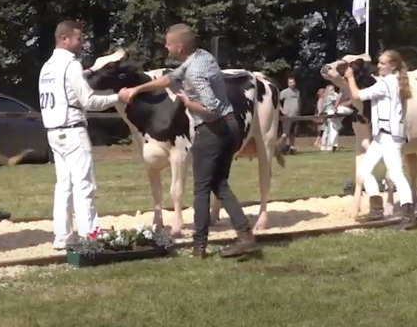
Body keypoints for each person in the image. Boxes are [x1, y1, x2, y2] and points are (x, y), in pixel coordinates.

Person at [124, 23, 259, 259]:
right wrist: (138, 89)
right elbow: (170, 78)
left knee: (201, 188)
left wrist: (187, 103)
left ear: (179, 46)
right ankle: (245, 236)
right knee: (220, 184)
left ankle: (199, 247)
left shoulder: (195, 72)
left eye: (168, 42)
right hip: (231, 126)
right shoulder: (202, 57)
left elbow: (210, 107)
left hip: (212, 129)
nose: (165, 46)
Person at [38, 20, 131, 249]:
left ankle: (62, 237)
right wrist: (118, 97)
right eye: (79, 39)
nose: (82, 43)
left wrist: (93, 69)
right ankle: (91, 236)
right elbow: (88, 101)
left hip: (53, 131)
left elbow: (69, 87)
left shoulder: (47, 67)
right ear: (65, 39)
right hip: (73, 131)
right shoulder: (71, 66)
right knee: (84, 185)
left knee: (64, 186)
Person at [343, 49, 416, 229]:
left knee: (397, 174)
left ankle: (409, 215)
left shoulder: (387, 83)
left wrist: (350, 78)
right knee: (364, 170)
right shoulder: (392, 82)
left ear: (393, 66)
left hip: (390, 136)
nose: (379, 66)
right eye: (379, 62)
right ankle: (377, 208)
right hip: (381, 135)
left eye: (383, 63)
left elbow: (357, 95)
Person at [280, 76, 300, 154]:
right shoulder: (285, 92)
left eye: (293, 82)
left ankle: (291, 148)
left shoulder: (297, 92)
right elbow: (277, 101)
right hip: (287, 116)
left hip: (295, 116)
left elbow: (299, 103)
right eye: (290, 82)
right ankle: (280, 147)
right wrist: (282, 110)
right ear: (288, 84)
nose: (292, 84)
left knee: (292, 134)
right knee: (285, 134)